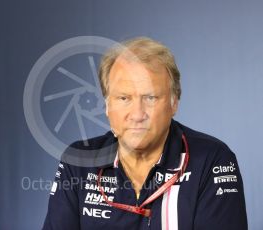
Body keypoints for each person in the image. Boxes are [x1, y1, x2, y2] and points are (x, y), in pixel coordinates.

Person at [42, 37, 247, 229]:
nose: (137, 114)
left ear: (173, 102)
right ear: (107, 106)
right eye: (124, 98)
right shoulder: (78, 161)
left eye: (150, 97)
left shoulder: (212, 160)